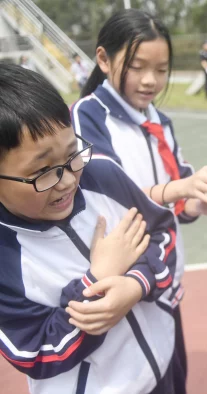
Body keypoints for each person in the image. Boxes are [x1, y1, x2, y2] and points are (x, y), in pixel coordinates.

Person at [71, 10, 207, 394]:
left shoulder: (160, 120)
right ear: (103, 59)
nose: (150, 80)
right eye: (137, 66)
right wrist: (180, 189)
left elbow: (176, 190)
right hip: (120, 286)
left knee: (172, 377)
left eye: (161, 69)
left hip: (162, 279)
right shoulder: (87, 118)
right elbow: (113, 203)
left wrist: (198, 203)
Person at [0, 64, 179, 393]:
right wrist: (95, 282)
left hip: (161, 367)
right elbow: (37, 352)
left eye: (72, 155)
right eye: (43, 171)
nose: (68, 180)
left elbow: (163, 233)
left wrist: (137, 284)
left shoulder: (102, 176)